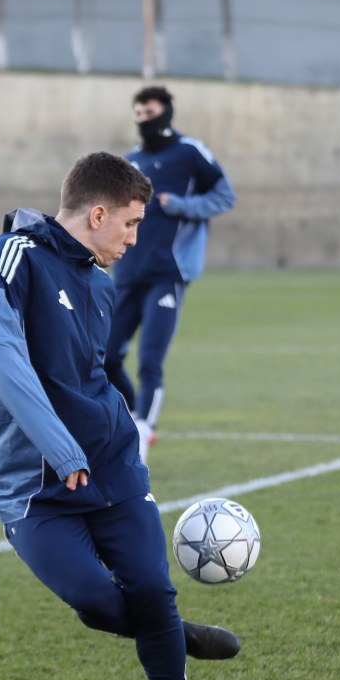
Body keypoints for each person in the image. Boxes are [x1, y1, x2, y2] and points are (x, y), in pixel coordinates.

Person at [0, 151, 239, 680]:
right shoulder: (12, 256)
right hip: (33, 486)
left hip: (114, 466)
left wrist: (121, 436)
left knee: (151, 588)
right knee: (94, 600)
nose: (135, 239)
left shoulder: (99, 281)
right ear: (97, 214)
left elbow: (91, 376)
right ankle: (172, 631)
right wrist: (60, 448)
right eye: (131, 223)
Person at [105, 86, 236, 463]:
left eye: (149, 112)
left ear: (165, 112)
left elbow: (225, 196)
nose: (143, 119)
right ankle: (134, 419)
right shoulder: (131, 161)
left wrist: (181, 205)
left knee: (150, 360)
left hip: (168, 272)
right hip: (128, 271)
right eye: (138, 113)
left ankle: (143, 434)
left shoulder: (190, 152)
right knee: (105, 356)